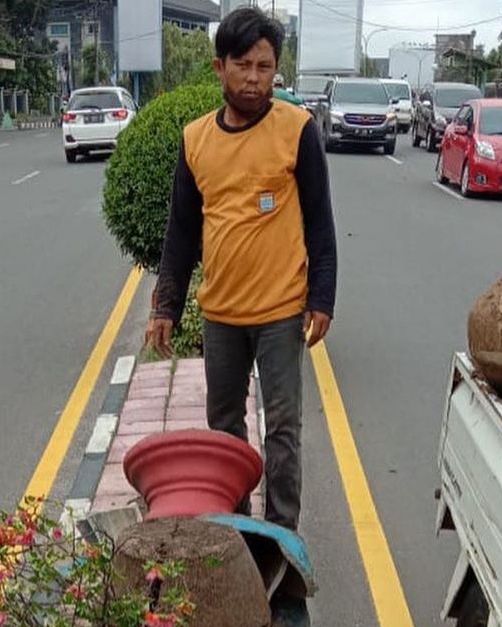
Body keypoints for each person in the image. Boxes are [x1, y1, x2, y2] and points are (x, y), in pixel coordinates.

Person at [146, 6, 337, 532]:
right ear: (219, 68)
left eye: (265, 66)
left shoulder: (296, 130)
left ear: (277, 68)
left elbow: (320, 222)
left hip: (280, 311)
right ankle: (237, 527)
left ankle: (281, 535)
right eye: (243, 66)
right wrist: (166, 304)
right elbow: (181, 232)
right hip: (221, 314)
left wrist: (322, 298)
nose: (254, 79)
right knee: (224, 428)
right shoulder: (195, 141)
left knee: (282, 431)